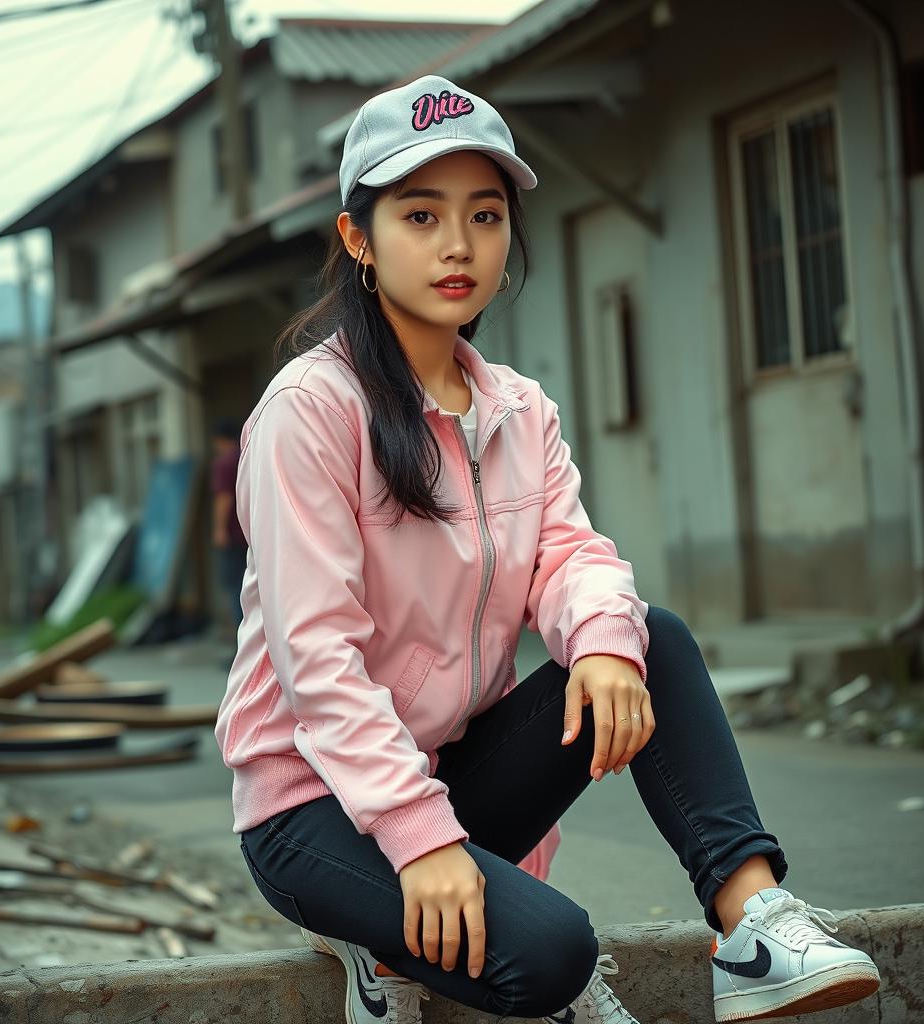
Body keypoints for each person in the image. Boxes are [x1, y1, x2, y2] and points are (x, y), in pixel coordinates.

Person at [213, 74, 881, 1024]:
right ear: (357, 238)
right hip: (313, 809)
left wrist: (604, 647)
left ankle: (755, 925)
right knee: (557, 952)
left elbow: (573, 556)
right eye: (420, 215)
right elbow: (315, 660)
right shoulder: (308, 415)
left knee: (650, 635)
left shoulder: (519, 410)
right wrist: (418, 838)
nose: (458, 245)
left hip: (449, 776)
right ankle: (376, 942)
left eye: (484, 216)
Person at [210, 415, 248, 640]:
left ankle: (240, 646)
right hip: (251, 534)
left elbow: (223, 498)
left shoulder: (223, 464)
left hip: (234, 536)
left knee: (236, 590)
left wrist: (219, 530)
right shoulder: (247, 455)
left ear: (219, 440)